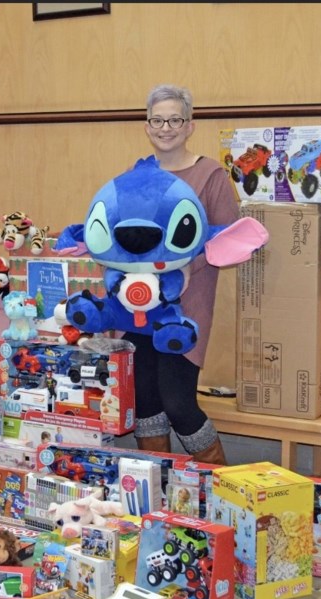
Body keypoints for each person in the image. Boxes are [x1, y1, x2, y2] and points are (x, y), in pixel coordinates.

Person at [123, 84, 239, 464]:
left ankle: (223, 487)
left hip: (186, 306)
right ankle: (160, 492)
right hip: (138, 306)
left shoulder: (211, 175)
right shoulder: (137, 174)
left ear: (189, 125)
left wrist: (189, 267)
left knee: (178, 402)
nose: (165, 127)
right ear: (147, 126)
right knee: (146, 402)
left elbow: (229, 237)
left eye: (175, 119)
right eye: (157, 120)